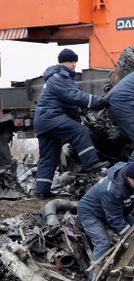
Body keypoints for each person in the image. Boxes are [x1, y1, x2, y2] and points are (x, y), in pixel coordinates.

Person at [34, 48, 109, 199]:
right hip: (51, 117)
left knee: (49, 156)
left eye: (75, 61)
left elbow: (69, 104)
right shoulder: (58, 77)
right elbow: (74, 96)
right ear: (62, 62)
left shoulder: (58, 78)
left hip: (43, 120)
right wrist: (98, 101)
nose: (74, 64)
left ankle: (42, 190)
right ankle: (91, 164)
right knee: (79, 131)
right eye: (70, 61)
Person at [77, 160, 134, 280]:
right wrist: (131, 237)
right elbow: (115, 220)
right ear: (127, 177)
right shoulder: (111, 190)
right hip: (90, 212)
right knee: (103, 243)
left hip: (118, 210)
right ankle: (93, 277)